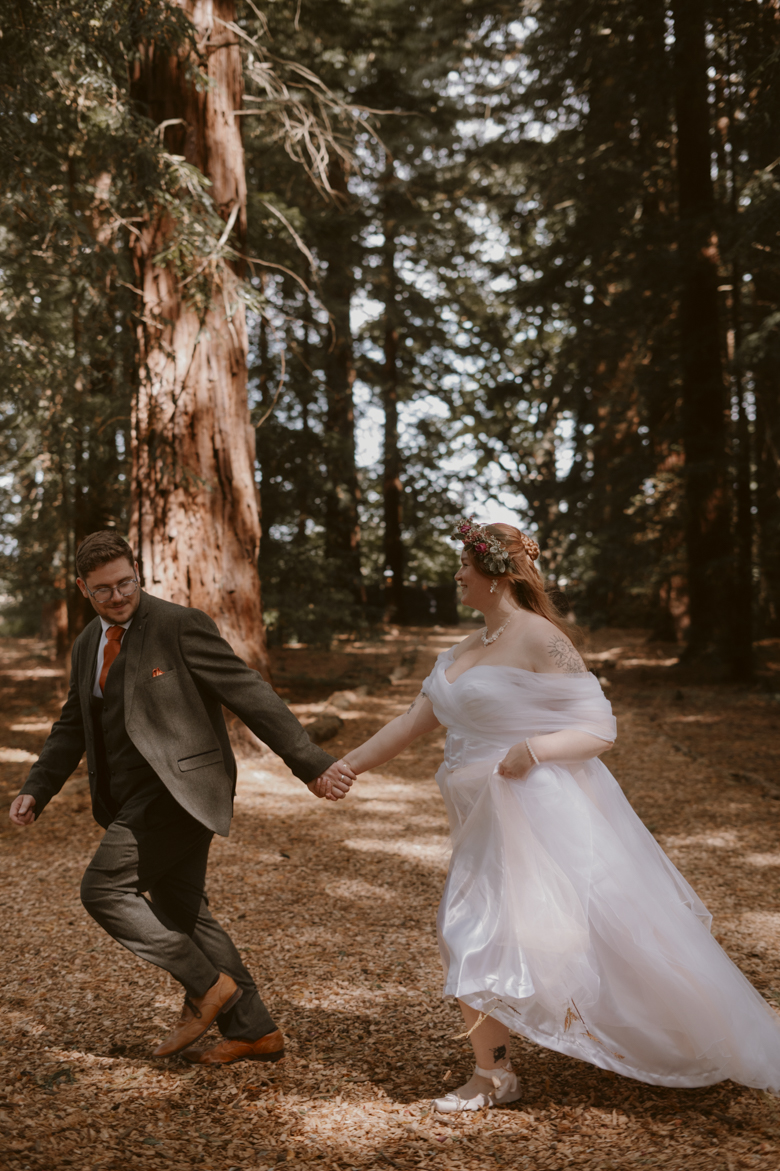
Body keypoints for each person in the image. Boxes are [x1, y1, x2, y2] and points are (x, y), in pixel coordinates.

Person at [315, 518, 780, 1109]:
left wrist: (533, 750)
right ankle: (496, 1073)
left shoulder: (541, 638)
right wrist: (345, 766)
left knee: (597, 933)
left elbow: (599, 728)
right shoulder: (465, 649)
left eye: (464, 565)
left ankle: (694, 1038)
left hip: (534, 808)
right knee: (482, 931)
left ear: (495, 574)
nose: (456, 575)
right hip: (478, 815)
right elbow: (410, 723)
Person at [9, 530, 354, 1067]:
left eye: (126, 582)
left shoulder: (179, 624)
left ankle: (206, 986)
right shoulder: (86, 644)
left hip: (184, 791)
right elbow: (73, 725)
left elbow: (249, 691)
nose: (119, 596)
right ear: (82, 588)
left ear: (138, 573)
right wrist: (37, 787)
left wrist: (308, 761)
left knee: (103, 889)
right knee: (184, 912)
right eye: (104, 589)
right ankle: (255, 1031)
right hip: (130, 796)